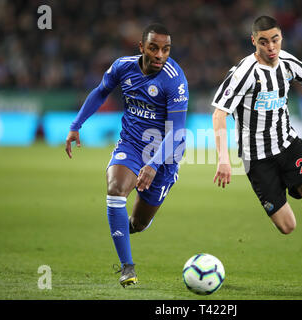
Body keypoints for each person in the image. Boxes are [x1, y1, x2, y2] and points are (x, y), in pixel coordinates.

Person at [212, 16, 302, 284]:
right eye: (264, 42)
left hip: (288, 144)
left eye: (275, 40)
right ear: (254, 42)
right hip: (257, 158)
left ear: (281, 38)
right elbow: (218, 114)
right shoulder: (243, 73)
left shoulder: (288, 62)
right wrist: (223, 159)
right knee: (288, 226)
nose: (271, 47)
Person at [65, 23, 188, 288]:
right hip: (131, 145)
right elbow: (100, 92)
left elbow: (178, 130)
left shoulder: (175, 79)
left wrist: (154, 165)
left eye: (165, 49)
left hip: (165, 154)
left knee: (139, 223)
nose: (159, 55)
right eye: (153, 48)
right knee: (115, 189)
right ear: (141, 46)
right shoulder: (123, 67)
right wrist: (76, 125)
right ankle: (127, 267)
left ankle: (124, 226)